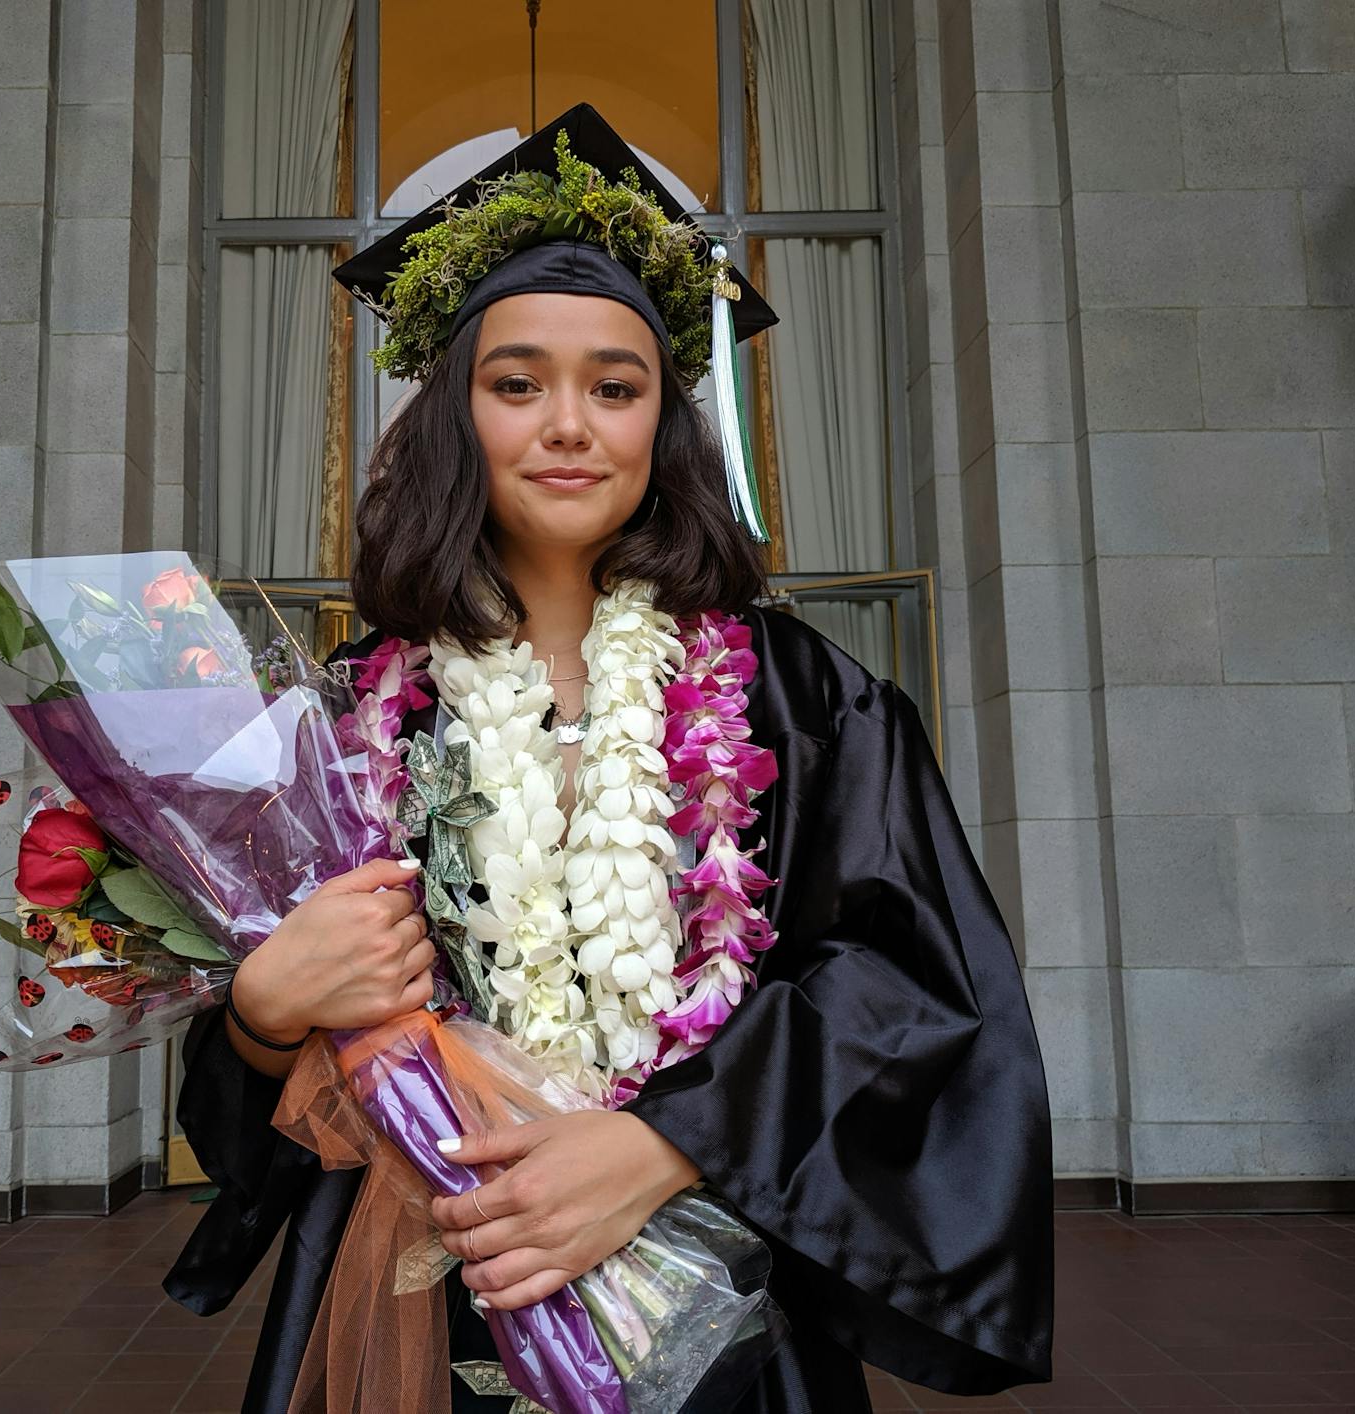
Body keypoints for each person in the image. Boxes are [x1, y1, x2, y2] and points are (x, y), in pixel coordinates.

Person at [165, 103, 1054, 1412]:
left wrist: (665, 1141)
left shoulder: (801, 700)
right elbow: (241, 1123)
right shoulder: (351, 716)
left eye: (615, 386)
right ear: (458, 414)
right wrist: (260, 1009)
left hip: (722, 1316)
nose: (569, 423)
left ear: (661, 423)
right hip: (421, 1301)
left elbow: (911, 985)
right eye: (518, 382)